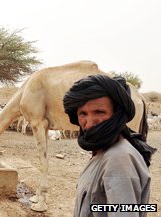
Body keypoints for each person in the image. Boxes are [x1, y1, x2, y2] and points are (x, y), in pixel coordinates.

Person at [62, 74, 156, 217]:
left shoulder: (119, 159)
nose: (90, 122)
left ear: (117, 114)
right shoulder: (103, 152)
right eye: (83, 113)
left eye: (99, 112)